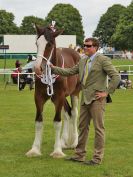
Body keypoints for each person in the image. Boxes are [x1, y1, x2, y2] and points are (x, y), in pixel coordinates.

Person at [50, 37, 120, 165]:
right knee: (82, 128)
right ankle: (79, 155)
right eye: (84, 45)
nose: (85, 48)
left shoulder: (103, 60)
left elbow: (116, 77)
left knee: (99, 129)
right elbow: (70, 71)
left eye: (88, 46)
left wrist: (106, 92)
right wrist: (53, 68)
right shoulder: (83, 60)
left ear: (96, 47)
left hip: (97, 100)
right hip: (84, 99)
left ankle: (97, 158)